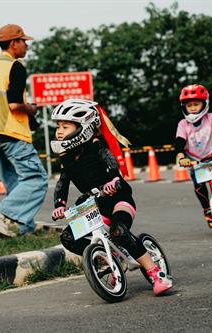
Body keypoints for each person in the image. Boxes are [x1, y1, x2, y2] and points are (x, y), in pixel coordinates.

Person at [50, 99, 172, 296]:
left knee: (119, 232)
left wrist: (113, 180)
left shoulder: (97, 146)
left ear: (85, 127)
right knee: (68, 238)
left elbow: (111, 163)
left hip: (118, 199)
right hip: (93, 203)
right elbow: (62, 182)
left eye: (65, 126)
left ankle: (155, 273)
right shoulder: (66, 157)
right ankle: (110, 258)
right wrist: (59, 204)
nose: (59, 131)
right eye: (58, 126)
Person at [0, 24, 48, 237]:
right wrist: (31, 108)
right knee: (36, 179)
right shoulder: (15, 66)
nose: (27, 47)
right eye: (24, 42)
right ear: (14, 43)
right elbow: (13, 105)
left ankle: (26, 230)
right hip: (9, 132)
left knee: (13, 181)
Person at [175, 84, 212, 228]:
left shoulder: (211, 118)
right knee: (199, 184)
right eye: (190, 105)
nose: (193, 108)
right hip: (195, 160)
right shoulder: (183, 124)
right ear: (184, 107)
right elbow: (179, 142)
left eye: (196, 104)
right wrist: (180, 157)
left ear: (205, 103)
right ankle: (207, 210)